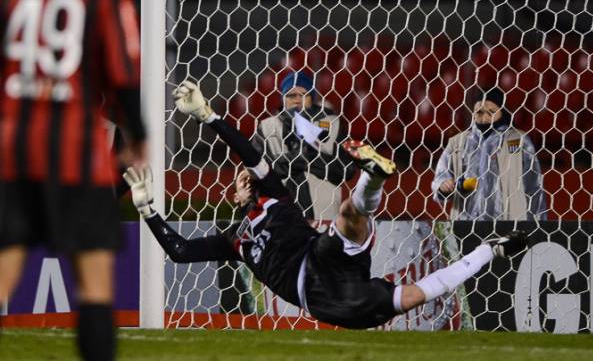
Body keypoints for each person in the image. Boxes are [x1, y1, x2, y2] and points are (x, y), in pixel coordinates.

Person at [125, 81, 527, 329]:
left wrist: (209, 116)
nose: (245, 177)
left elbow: (248, 151)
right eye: (240, 181)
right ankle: (491, 248)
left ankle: (373, 174)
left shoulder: (275, 197)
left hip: (321, 256)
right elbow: (179, 251)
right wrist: (147, 209)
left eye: (248, 176)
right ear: (233, 195)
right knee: (414, 297)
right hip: (329, 299)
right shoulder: (234, 241)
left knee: (351, 214)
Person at [0, 0, 146, 361]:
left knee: (4, 266)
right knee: (95, 284)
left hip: (14, 148)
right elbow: (124, 73)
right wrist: (137, 136)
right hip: (76, 153)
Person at [251, 69, 354, 221]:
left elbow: (346, 170)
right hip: (279, 219)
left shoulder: (332, 123)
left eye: (304, 95)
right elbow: (260, 171)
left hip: (323, 215)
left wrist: (290, 161)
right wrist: (306, 157)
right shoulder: (267, 128)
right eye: (291, 95)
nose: (297, 100)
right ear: (283, 99)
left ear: (312, 98)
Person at [431, 87, 546, 221]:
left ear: (502, 112)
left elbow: (534, 186)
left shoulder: (518, 140)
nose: (484, 118)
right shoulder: (457, 143)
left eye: (491, 112)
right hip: (465, 221)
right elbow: (441, 176)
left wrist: (539, 224)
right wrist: (443, 186)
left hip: (508, 222)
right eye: (479, 112)